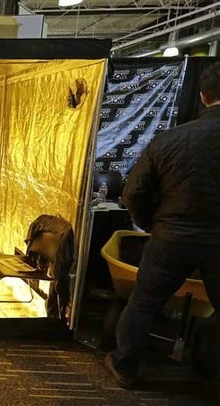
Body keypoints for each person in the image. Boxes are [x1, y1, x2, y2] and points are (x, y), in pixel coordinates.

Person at [104, 62, 220, 389]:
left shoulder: (170, 139)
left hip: (171, 235)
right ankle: (210, 371)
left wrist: (153, 225)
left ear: (201, 96)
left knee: (143, 302)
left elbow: (133, 193)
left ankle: (125, 367)